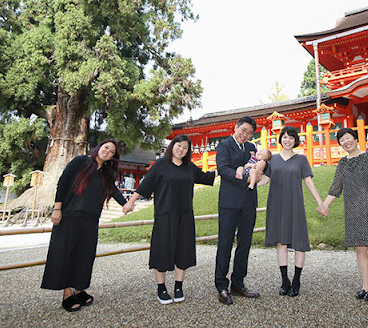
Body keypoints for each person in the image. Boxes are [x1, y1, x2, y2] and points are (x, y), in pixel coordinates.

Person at [122, 135, 217, 305]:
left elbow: (205, 177)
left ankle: (179, 287)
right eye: (178, 146)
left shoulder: (189, 167)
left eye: (185, 148)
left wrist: (225, 169)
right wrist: (131, 201)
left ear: (188, 151)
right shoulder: (160, 165)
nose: (181, 149)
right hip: (165, 214)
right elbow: (146, 185)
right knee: (162, 250)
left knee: (183, 250)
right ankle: (161, 288)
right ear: (172, 146)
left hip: (185, 215)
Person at [41, 138, 127, 312]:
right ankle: (67, 294)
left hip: (90, 220)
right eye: (106, 148)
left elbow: (113, 190)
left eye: (111, 152)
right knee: (66, 254)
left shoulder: (105, 173)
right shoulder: (81, 161)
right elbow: (62, 183)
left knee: (85, 256)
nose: (107, 152)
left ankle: (79, 289)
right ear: (99, 147)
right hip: (69, 216)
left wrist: (126, 203)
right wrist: (57, 209)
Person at [321, 127, 368, 302]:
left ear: (354, 138)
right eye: (342, 141)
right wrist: (325, 205)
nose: (346, 142)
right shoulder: (342, 163)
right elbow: (336, 187)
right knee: (359, 249)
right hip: (353, 210)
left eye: (348, 138)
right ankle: (366, 286)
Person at [255, 126, 327, 297]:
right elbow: (265, 180)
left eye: (291, 137)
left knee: (299, 242)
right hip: (277, 205)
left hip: (295, 205)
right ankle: (284, 280)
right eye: (285, 137)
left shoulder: (301, 160)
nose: (287, 140)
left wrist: (320, 203)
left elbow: (308, 182)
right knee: (281, 242)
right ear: (280, 139)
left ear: (295, 140)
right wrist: (247, 184)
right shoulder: (272, 160)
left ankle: (296, 280)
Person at [215, 116, 261, 305]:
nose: (245, 135)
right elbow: (223, 169)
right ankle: (221, 285)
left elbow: (259, 166)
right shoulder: (224, 146)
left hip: (249, 202)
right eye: (243, 130)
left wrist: (258, 174)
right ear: (236, 127)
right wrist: (245, 179)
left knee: (245, 243)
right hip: (229, 202)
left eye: (249, 133)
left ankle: (238, 282)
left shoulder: (251, 148)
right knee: (225, 242)